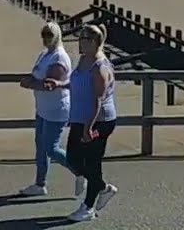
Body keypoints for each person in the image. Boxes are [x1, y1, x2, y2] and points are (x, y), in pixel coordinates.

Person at [65, 24, 119, 222]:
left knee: (91, 162)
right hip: (79, 118)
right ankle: (103, 187)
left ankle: (88, 207)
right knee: (73, 159)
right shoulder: (83, 60)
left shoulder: (100, 67)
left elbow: (98, 99)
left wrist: (89, 127)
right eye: (80, 38)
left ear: (95, 43)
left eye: (85, 39)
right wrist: (59, 85)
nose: (80, 42)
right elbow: (76, 82)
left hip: (98, 120)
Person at [17, 21, 75, 197]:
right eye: (44, 35)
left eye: (49, 35)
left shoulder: (59, 57)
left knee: (51, 148)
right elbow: (37, 76)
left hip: (56, 109)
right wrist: (31, 81)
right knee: (40, 146)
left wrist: (29, 84)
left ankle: (81, 171)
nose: (46, 39)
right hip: (43, 107)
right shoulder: (44, 54)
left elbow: (49, 84)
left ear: (57, 36)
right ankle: (40, 184)